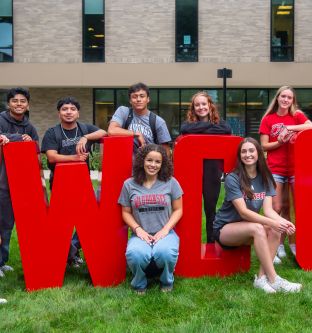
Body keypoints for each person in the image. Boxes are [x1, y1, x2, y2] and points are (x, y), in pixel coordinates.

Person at [213, 137, 302, 293]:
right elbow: (243, 212)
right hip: (225, 229)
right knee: (259, 228)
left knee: (275, 229)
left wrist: (282, 222)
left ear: (259, 153)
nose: (248, 154)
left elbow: (268, 211)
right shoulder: (233, 178)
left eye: (251, 150)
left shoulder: (266, 177)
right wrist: (271, 222)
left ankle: (261, 278)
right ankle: (274, 279)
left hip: (248, 227)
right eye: (244, 151)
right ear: (240, 156)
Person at [41, 97, 106, 267]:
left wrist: (85, 137)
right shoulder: (52, 132)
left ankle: (73, 249)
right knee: (61, 223)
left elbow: (104, 133)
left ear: (78, 113)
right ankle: (67, 255)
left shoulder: (84, 128)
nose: (68, 112)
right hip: (60, 183)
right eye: (64, 109)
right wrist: (74, 158)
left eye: (72, 109)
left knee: (91, 219)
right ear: (59, 113)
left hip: (82, 183)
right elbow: (51, 157)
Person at [119, 144, 183, 294]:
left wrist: (165, 230)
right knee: (135, 254)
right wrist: (138, 229)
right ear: (142, 161)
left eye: (157, 162)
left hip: (165, 233)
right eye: (149, 160)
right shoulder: (129, 184)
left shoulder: (171, 182)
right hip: (141, 233)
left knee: (166, 252)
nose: (153, 165)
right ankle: (139, 283)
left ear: (163, 164)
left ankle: (167, 281)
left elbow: (179, 209)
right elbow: (125, 212)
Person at [259, 86, 312, 261]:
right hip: (276, 169)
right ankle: (277, 245)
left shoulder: (297, 116)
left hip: (296, 169)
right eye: (283, 96)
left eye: (289, 97)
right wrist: (279, 142)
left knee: (294, 207)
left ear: (292, 101)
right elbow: (264, 146)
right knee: (276, 208)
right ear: (277, 98)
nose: (285, 100)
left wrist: (289, 128)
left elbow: (311, 126)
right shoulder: (268, 119)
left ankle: (294, 243)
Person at [180, 91, 231, 243]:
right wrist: (209, 126)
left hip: (212, 171)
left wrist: (200, 127)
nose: (201, 107)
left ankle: (211, 240)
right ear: (193, 108)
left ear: (210, 105)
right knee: (189, 209)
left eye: (204, 104)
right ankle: (189, 242)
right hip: (192, 171)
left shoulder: (221, 123)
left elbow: (226, 129)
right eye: (197, 105)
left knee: (210, 209)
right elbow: (185, 129)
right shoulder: (188, 124)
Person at [0, 87, 39, 276]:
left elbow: (36, 146)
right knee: (1, 222)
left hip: (20, 181)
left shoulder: (29, 126)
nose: (19, 104)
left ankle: (2, 260)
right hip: (2, 180)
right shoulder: (1, 120)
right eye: (15, 101)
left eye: (23, 101)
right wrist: (18, 138)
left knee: (8, 223)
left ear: (28, 105)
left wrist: (27, 140)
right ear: (9, 103)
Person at [108, 82, 172, 157]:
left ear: (148, 99)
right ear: (130, 100)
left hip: (148, 165)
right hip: (125, 163)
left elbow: (166, 152)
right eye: (134, 97)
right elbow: (111, 131)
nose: (138, 99)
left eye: (142, 96)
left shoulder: (158, 121)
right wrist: (136, 134)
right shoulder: (123, 112)